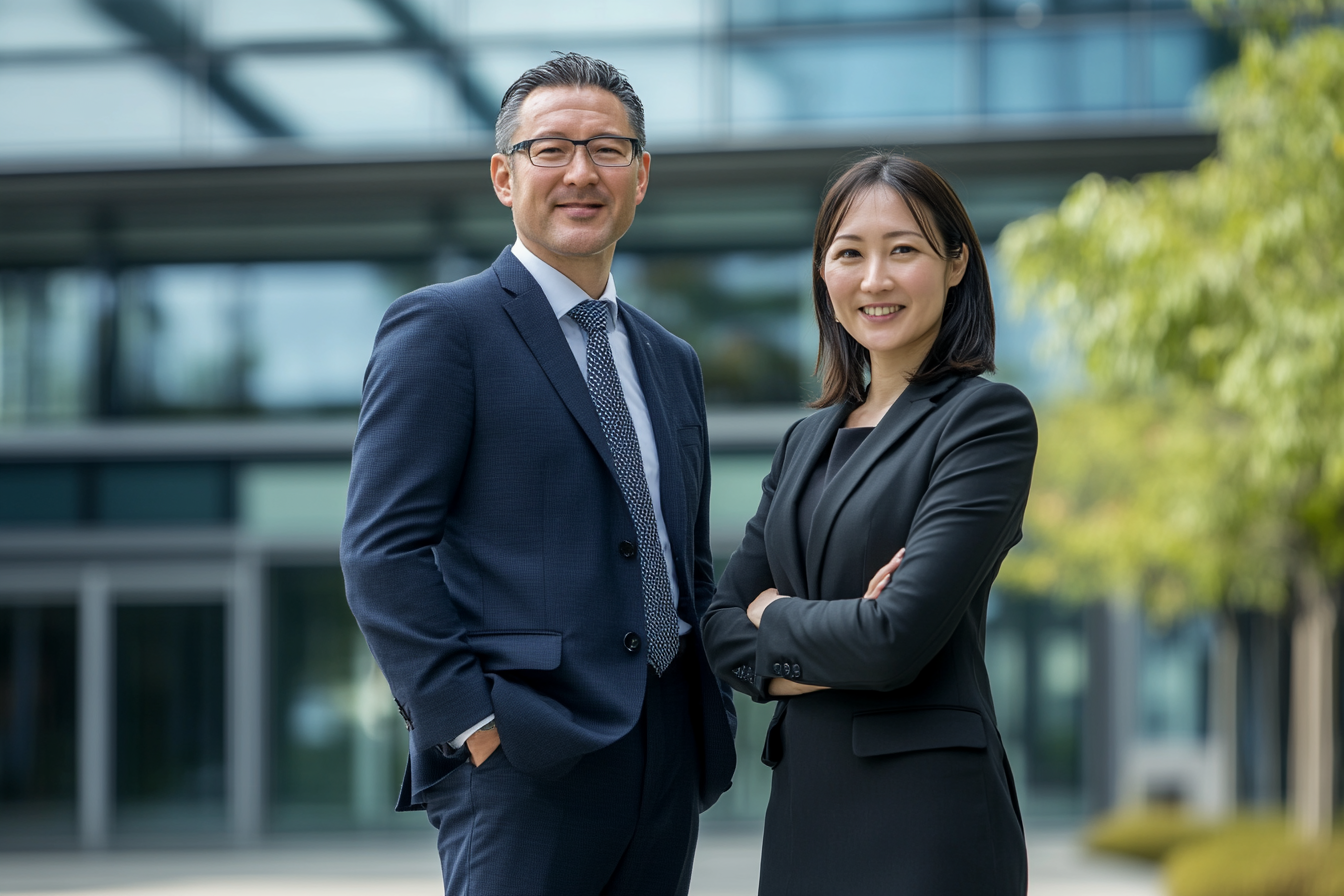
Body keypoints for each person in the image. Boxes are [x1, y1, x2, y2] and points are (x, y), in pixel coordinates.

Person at [341, 53, 737, 896]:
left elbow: (682, 560)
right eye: (550, 149)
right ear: (502, 175)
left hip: (666, 754)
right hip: (523, 760)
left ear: (642, 174)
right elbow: (381, 553)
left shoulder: (673, 361)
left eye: (607, 149)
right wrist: (473, 724)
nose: (581, 173)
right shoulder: (445, 329)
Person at [702, 153, 1035, 895]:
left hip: (925, 827)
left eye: (903, 250)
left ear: (955, 263)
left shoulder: (983, 421)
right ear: (823, 274)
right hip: (801, 821)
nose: (874, 279)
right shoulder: (805, 440)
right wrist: (842, 626)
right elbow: (722, 631)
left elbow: (894, 642)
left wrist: (778, 616)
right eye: (849, 253)